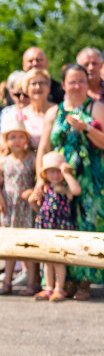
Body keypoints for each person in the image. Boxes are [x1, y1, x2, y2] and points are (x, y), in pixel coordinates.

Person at [35, 62, 104, 300]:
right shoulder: (54, 112)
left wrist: (86, 128)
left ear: (88, 83)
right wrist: (39, 180)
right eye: (72, 81)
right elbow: (43, 147)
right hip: (57, 180)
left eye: (82, 81)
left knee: (86, 225)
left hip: (87, 179)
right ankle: (63, 283)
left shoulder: (95, 107)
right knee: (61, 226)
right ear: (63, 84)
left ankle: (85, 280)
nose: (77, 86)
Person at [0, 115, 37, 295]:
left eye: (20, 137)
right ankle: (7, 281)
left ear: (26, 139)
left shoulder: (32, 159)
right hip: (9, 208)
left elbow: (38, 180)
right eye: (12, 137)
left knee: (29, 245)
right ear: (7, 141)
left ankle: (33, 282)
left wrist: (32, 192)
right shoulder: (3, 162)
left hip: (25, 208)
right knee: (9, 246)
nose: (17, 141)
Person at [31, 151, 81, 301]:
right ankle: (48, 287)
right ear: (45, 174)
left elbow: (76, 190)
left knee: (59, 259)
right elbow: (37, 206)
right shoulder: (45, 189)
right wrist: (34, 198)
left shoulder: (65, 189)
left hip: (60, 227)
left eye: (58, 171)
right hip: (46, 226)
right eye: (51, 171)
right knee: (47, 259)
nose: (55, 174)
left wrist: (66, 174)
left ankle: (59, 288)